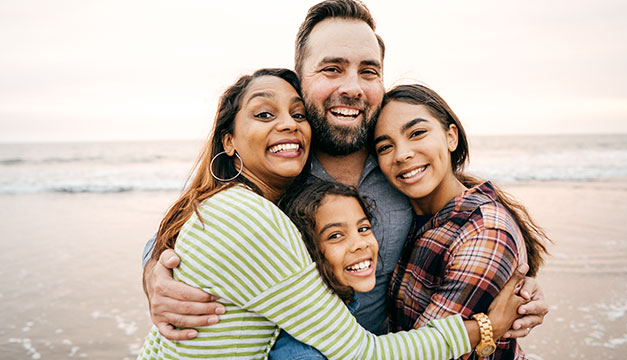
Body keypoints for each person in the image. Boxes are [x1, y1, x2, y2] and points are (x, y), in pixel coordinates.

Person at [141, 0, 549, 342]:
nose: (352, 87)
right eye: (332, 69)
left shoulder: (397, 160)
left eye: (368, 71)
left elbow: (460, 215)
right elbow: (192, 220)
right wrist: (154, 275)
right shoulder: (281, 161)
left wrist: (515, 280)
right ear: (299, 80)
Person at [374, 84, 551, 359]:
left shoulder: (485, 232)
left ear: (451, 136)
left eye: (417, 133)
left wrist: (488, 327)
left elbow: (422, 354)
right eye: (385, 146)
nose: (402, 154)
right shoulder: (405, 215)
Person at [270, 181, 379, 359]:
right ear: (304, 252)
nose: (360, 243)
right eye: (335, 236)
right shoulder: (303, 353)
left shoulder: (339, 316)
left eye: (363, 228)